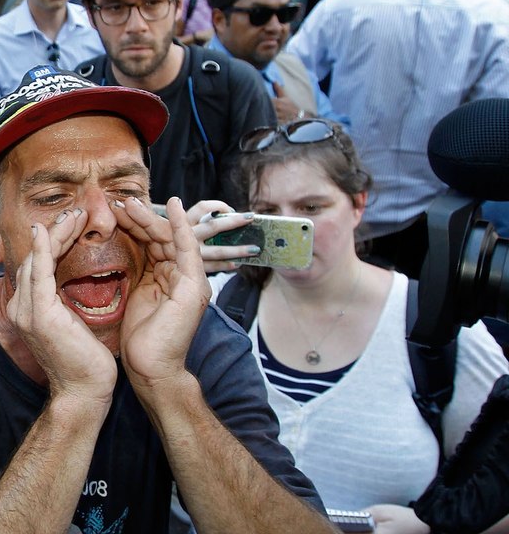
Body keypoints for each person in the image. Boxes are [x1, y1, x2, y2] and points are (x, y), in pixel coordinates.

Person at [0, 64, 334, 533]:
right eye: (53, 197)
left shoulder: (195, 334)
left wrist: (166, 382)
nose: (102, 220)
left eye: (125, 190)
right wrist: (78, 398)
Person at [212, 119, 509, 530]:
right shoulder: (215, 305)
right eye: (267, 212)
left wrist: (435, 526)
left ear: (358, 204)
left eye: (311, 208)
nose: (289, 228)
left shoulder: (438, 325)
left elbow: (495, 486)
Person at [285, 0, 509, 277]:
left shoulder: (344, 6)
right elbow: (492, 119)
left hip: (345, 204)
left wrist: (316, 118)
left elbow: (288, 73)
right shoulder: (489, 14)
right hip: (441, 214)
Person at [74, 0, 274, 207]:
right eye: (115, 7)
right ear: (90, 14)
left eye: (153, 3)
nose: (136, 25)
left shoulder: (233, 87)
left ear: (179, 2)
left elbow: (260, 210)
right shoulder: (76, 97)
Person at [205, 0, 339, 124]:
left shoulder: (296, 71)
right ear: (220, 20)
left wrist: (303, 121)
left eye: (285, 13)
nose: (275, 27)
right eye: (259, 14)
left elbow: (346, 139)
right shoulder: (192, 82)